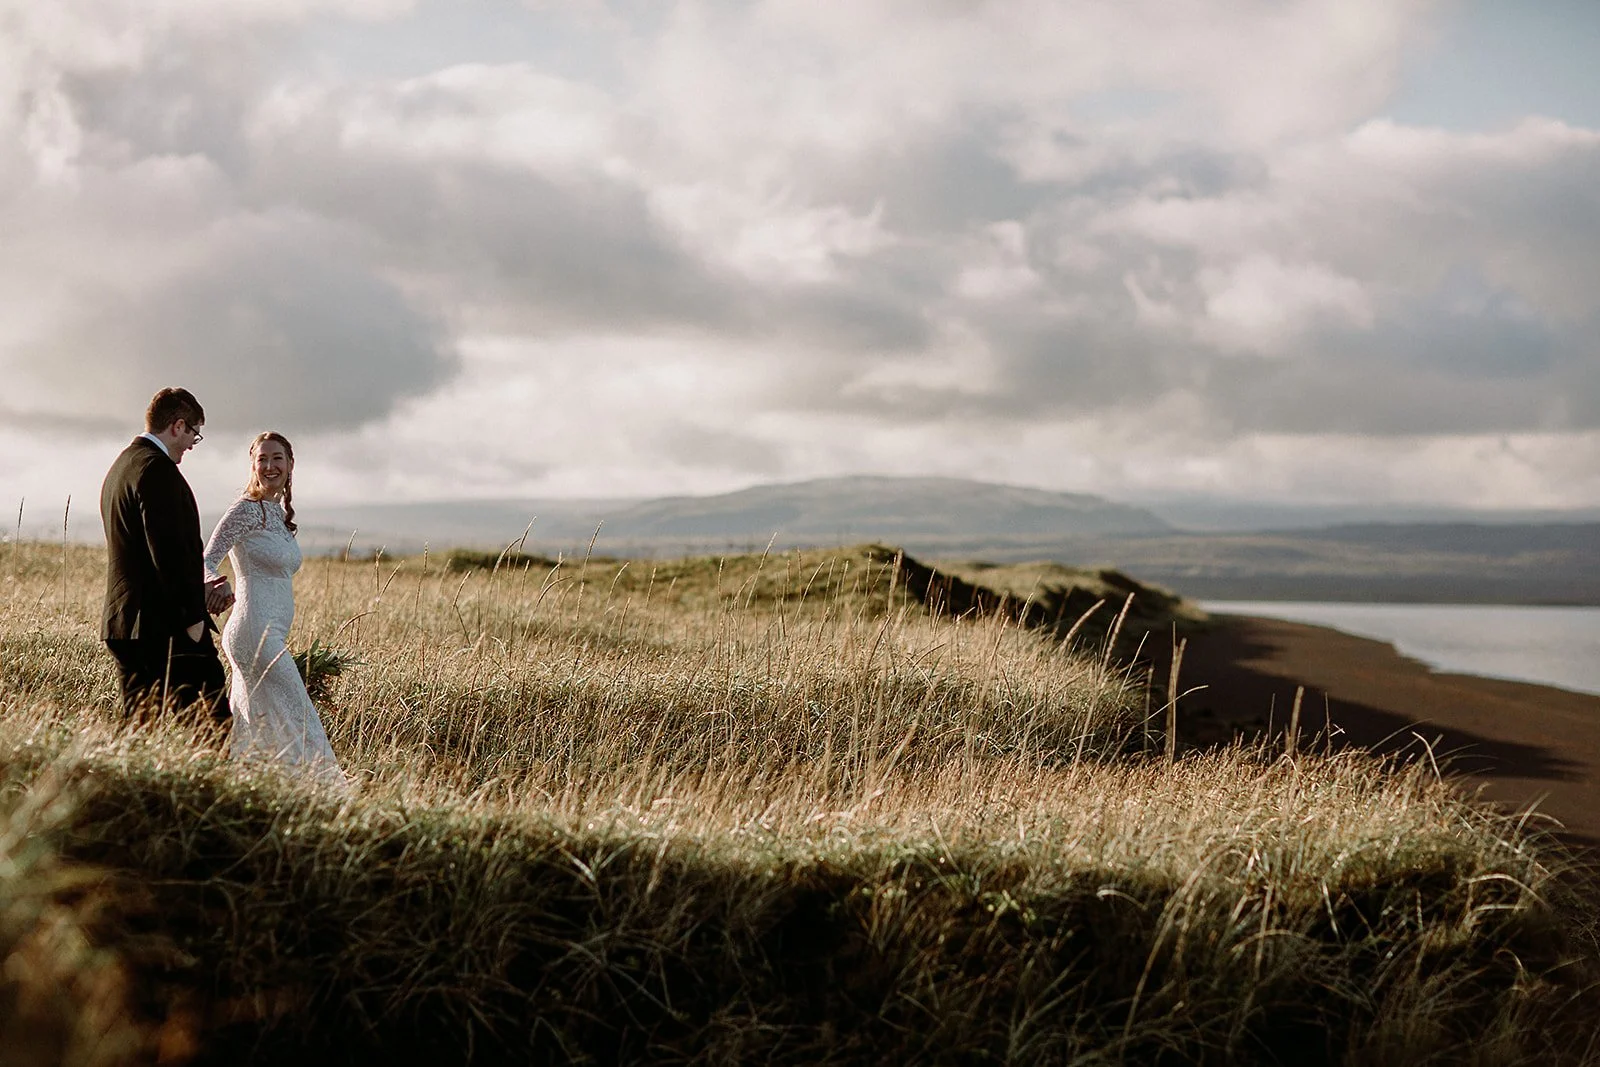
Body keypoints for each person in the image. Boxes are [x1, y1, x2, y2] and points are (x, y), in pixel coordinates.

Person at [204, 431, 347, 791]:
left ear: (290, 464)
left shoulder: (278, 514)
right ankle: (327, 794)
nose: (270, 466)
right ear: (252, 465)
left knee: (260, 720)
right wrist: (217, 584)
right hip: (253, 631)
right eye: (262, 459)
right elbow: (206, 559)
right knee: (298, 711)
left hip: (273, 631)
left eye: (277, 458)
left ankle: (255, 789)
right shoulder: (245, 509)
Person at [100, 387, 232, 726]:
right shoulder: (157, 471)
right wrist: (193, 621)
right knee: (213, 726)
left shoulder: (121, 466)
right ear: (178, 426)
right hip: (165, 630)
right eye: (194, 434)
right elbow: (169, 555)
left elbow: (142, 554)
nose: (192, 444)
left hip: (124, 625)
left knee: (140, 732)